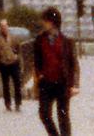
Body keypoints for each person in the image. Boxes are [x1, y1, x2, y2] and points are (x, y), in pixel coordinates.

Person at [33, 7, 79, 136]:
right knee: (44, 114)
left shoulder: (66, 42)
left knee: (63, 117)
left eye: (45, 21)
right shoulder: (39, 40)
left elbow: (74, 64)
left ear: (52, 22)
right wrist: (39, 75)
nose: (43, 23)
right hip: (46, 83)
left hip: (63, 83)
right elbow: (36, 61)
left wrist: (75, 85)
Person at [0, 18, 22, 112]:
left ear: (8, 27)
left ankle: (18, 103)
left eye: (5, 26)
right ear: (0, 28)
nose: (4, 28)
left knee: (17, 83)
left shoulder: (14, 37)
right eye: (2, 26)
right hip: (3, 63)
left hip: (13, 62)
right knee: (6, 85)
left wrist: (17, 56)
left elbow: (19, 48)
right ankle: (7, 103)